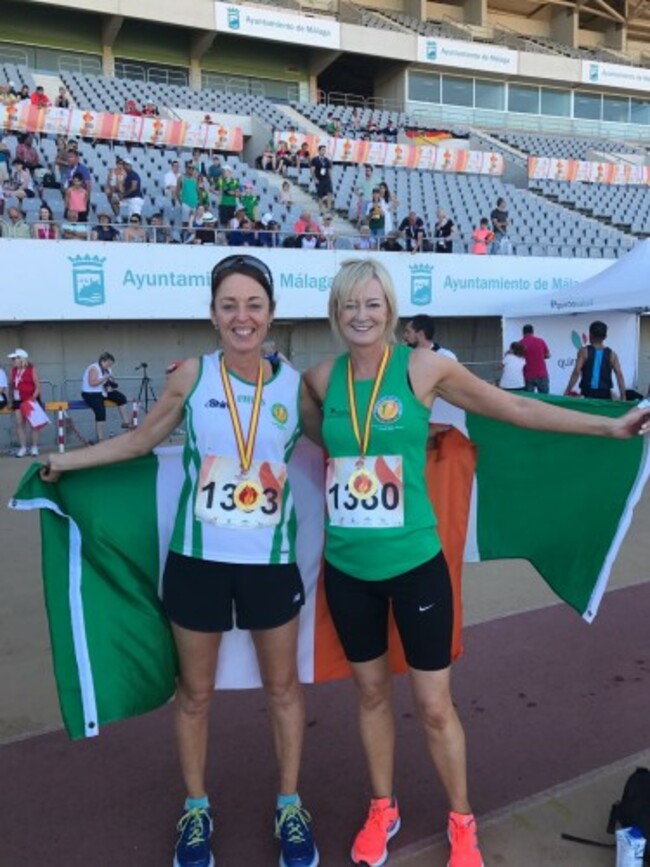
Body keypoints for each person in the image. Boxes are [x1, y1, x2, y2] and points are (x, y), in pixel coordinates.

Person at [304, 258, 650, 867]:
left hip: (415, 566)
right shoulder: (319, 379)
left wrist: (608, 428)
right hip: (349, 570)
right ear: (335, 312)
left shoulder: (423, 368)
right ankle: (383, 808)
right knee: (370, 695)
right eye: (349, 304)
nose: (361, 314)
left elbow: (513, 409)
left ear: (391, 311)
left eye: (373, 303)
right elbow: (311, 437)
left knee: (435, 706)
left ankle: (462, 820)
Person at [41, 254, 322, 867]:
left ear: (271, 314)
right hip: (197, 563)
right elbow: (142, 440)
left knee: (281, 689)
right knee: (194, 695)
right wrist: (69, 463)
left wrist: (417, 439)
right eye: (229, 306)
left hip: (271, 565)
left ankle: (290, 804)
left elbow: (343, 444)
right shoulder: (192, 376)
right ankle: (196, 809)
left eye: (253, 305)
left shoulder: (294, 387)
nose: (242, 317)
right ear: (213, 315)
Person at [564, 320, 626, 401]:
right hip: (605, 393)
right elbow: (619, 375)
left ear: (590, 335)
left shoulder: (583, 352)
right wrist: (623, 396)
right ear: (605, 337)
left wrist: (568, 390)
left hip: (587, 392)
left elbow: (576, 371)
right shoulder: (612, 354)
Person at [81, 353, 132, 441]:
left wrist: (111, 386)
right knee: (101, 412)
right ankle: (101, 438)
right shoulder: (94, 368)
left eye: (111, 364)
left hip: (102, 391)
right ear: (102, 361)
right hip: (90, 393)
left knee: (121, 398)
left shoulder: (108, 370)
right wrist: (105, 378)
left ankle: (125, 422)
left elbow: (107, 384)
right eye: (108, 364)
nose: (109, 366)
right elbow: (92, 383)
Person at [8, 348, 41, 457]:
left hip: (31, 399)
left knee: (33, 424)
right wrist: (10, 399)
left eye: (14, 359)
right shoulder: (13, 371)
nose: (13, 361)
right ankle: (23, 447)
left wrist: (33, 398)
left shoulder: (31, 369)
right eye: (12, 359)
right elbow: (11, 386)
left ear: (21, 359)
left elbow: (38, 386)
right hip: (18, 400)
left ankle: (34, 447)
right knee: (19, 424)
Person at [520, 324, 550, 394]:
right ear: (532, 332)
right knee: (545, 398)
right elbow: (548, 355)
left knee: (529, 400)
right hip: (542, 374)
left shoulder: (520, 343)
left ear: (523, 333)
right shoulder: (541, 341)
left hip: (528, 375)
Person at [311, 144, 333, 215]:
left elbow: (329, 170)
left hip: (327, 179)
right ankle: (321, 210)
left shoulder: (327, 160)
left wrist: (330, 178)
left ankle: (329, 209)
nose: (324, 151)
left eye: (324, 150)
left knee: (329, 193)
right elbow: (312, 170)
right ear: (319, 150)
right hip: (319, 179)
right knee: (320, 196)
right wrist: (315, 178)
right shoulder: (315, 159)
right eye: (322, 150)